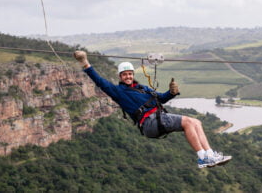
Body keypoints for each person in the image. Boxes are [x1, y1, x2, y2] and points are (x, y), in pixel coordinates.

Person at [74, 51, 231, 168]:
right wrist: (85, 63)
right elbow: (100, 81)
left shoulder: (142, 89)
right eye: (124, 75)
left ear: (132, 74)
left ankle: (210, 154)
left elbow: (160, 98)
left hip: (156, 118)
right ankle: (202, 157)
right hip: (149, 123)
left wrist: (171, 93)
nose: (128, 77)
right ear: (120, 77)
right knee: (188, 122)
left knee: (196, 121)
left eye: (129, 74)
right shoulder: (118, 92)